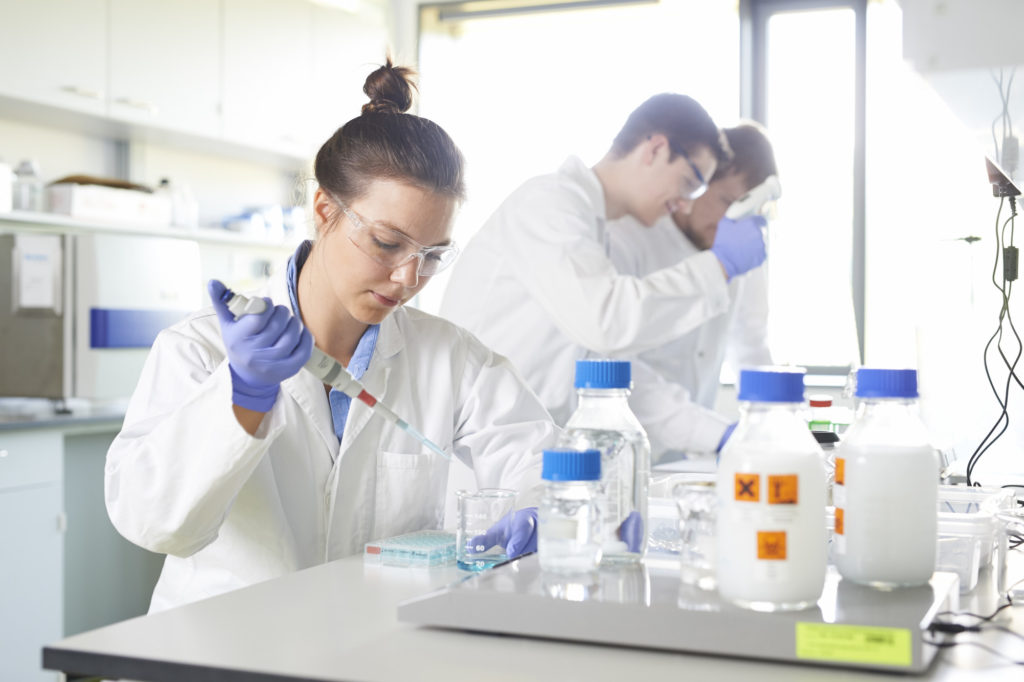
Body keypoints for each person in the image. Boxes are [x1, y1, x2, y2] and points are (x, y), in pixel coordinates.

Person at [104, 59, 558, 613]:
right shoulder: (199, 350)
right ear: (324, 209)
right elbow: (152, 523)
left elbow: (545, 461)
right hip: (224, 652)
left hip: (370, 646)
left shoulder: (452, 359)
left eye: (432, 256)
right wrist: (240, 397)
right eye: (389, 243)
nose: (408, 278)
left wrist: (540, 511)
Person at [439, 94, 767, 427]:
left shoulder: (597, 230)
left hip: (526, 447)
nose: (685, 205)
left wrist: (717, 434)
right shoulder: (548, 203)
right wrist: (720, 266)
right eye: (689, 185)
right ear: (655, 149)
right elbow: (605, 321)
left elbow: (614, 365)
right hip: (478, 451)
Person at [606, 122, 779, 459]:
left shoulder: (737, 246)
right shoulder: (630, 237)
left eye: (746, 211)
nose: (731, 221)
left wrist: (775, 425)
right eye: (726, 200)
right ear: (697, 186)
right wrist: (715, 434)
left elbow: (751, 348)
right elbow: (617, 366)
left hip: (686, 460)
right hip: (619, 455)